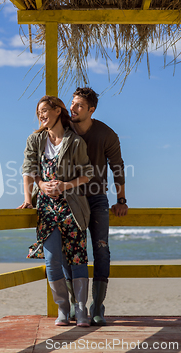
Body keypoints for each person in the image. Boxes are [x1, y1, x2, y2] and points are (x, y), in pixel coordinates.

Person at [18, 95, 94, 327]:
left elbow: (87, 173)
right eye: (39, 112)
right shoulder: (36, 139)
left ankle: (80, 311)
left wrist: (65, 185)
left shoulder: (76, 142)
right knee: (52, 260)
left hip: (72, 207)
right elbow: (29, 169)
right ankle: (63, 309)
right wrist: (32, 194)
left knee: (77, 258)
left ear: (58, 111)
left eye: (44, 111)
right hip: (46, 209)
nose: (41, 115)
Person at [66, 87, 128, 326]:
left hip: (97, 197)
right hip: (70, 199)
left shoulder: (106, 134)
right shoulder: (65, 130)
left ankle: (98, 305)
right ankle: (75, 304)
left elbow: (118, 167)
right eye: (72, 103)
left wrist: (121, 200)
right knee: (72, 250)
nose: (73, 108)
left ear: (91, 110)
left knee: (101, 249)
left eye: (79, 105)